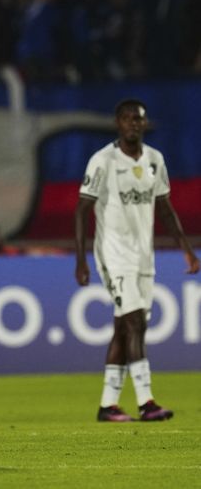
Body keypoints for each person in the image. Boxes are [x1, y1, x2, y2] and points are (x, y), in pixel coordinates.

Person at [74, 99, 199, 423]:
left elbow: (166, 209)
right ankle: (147, 402)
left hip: (144, 257)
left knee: (123, 328)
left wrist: (185, 248)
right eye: (128, 118)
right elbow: (82, 210)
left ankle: (107, 405)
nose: (133, 123)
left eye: (139, 119)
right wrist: (81, 259)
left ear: (145, 124)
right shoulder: (102, 160)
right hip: (113, 255)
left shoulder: (155, 160)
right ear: (118, 123)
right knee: (136, 323)